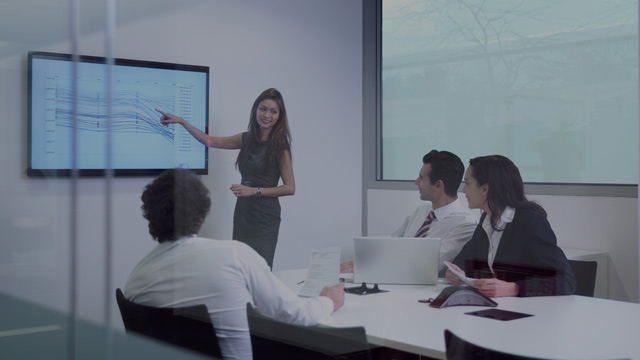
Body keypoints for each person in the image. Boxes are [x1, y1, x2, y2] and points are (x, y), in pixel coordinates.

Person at [124, 169, 344, 360]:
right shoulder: (233, 255)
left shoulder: (136, 280)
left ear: (150, 216)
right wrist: (327, 301)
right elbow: (295, 314)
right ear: (200, 217)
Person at [156, 88, 294, 268]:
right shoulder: (246, 139)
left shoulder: (280, 145)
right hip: (244, 214)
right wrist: (182, 122)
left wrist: (254, 191)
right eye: (263, 108)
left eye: (273, 111)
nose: (267, 115)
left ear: (279, 116)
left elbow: (290, 188)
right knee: (239, 267)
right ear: (255, 110)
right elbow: (210, 141)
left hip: (266, 218)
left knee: (261, 269)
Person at [445, 155, 576, 297]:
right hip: (500, 309)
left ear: (485, 189)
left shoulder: (531, 222)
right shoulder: (487, 218)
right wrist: (459, 272)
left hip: (532, 313)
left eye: (468, 183)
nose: (464, 190)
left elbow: (565, 281)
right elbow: (465, 259)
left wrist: (514, 288)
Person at [341, 150, 477, 276]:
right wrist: (364, 258)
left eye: (421, 178)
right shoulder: (422, 210)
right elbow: (393, 243)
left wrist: (369, 265)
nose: (416, 182)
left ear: (438, 185)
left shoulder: (466, 223)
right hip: (395, 278)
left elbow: (427, 262)